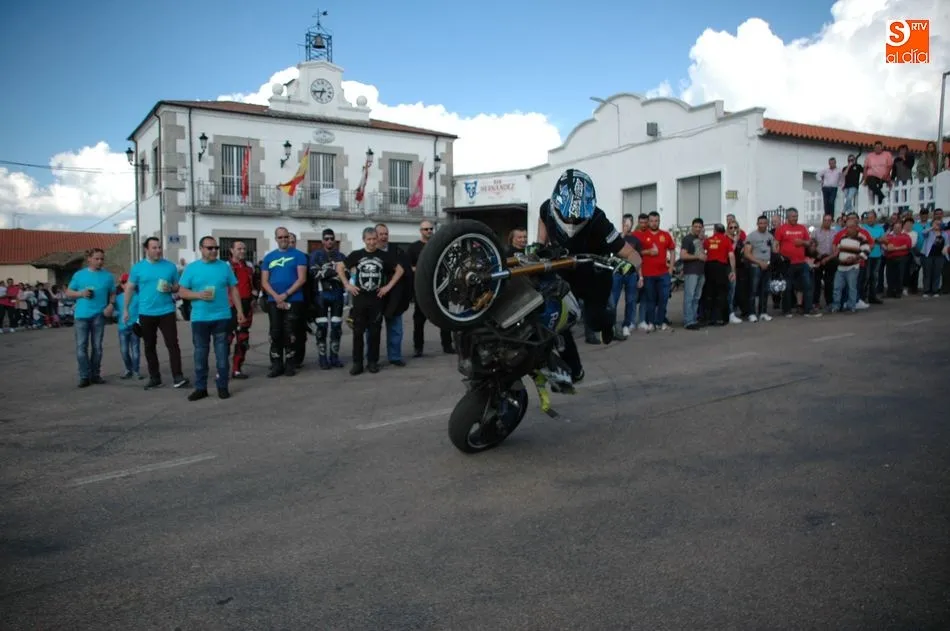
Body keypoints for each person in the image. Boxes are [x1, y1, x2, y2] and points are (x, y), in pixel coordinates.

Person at [534, 168, 643, 381]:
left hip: (595, 276)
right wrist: (540, 243)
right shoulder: (547, 208)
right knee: (558, 319)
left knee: (594, 321)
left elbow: (632, 254)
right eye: (568, 215)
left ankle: (607, 322)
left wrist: (631, 266)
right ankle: (575, 370)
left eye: (578, 217)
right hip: (565, 274)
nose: (572, 221)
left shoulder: (598, 219)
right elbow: (542, 219)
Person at [178, 236, 247, 401]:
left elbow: (234, 289)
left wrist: (239, 311)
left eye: (216, 248)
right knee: (200, 355)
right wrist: (199, 295)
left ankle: (222, 386)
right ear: (201, 249)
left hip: (222, 317)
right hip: (200, 318)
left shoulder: (224, 267)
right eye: (210, 248)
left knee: (222, 355)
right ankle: (201, 388)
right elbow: (182, 291)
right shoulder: (192, 268)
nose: (214, 251)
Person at [337, 227, 404, 375]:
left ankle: (373, 362)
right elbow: (340, 267)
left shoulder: (384, 256)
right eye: (369, 239)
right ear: (364, 240)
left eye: (374, 239)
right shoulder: (357, 255)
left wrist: (388, 287)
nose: (372, 242)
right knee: (358, 332)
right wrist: (347, 285)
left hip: (377, 300)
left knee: (375, 332)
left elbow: (400, 270)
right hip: (360, 299)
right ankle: (357, 363)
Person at [125, 237, 189, 390]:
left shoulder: (170, 267)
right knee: (149, 346)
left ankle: (178, 376)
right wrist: (125, 309)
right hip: (146, 312)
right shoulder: (138, 268)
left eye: (159, 247)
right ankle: (155, 378)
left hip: (166, 311)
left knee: (173, 344)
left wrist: (171, 288)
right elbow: (130, 288)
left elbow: (177, 286)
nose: (158, 250)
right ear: (146, 249)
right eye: (154, 248)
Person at [260, 226, 308, 377]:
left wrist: (285, 294)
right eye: (280, 237)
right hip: (273, 300)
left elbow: (302, 279)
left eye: (286, 237)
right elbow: (264, 281)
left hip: (294, 299)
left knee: (290, 332)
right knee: (275, 332)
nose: (283, 240)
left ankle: (290, 365)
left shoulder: (299, 256)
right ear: (276, 239)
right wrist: (276, 296)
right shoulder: (269, 257)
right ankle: (276, 365)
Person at [65, 248, 116, 387]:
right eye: (96, 259)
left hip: (99, 315)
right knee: (81, 347)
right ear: (89, 259)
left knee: (97, 347)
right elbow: (68, 292)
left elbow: (113, 293)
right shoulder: (79, 275)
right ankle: (84, 376)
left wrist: (111, 305)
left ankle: (95, 375)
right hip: (81, 315)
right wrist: (81, 293)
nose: (100, 261)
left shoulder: (108, 276)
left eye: (102, 259)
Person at [308, 228, 347, 369]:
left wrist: (325, 272)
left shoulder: (341, 256)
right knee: (322, 328)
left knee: (336, 327)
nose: (329, 241)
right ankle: (323, 359)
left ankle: (334, 357)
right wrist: (335, 272)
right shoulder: (315, 255)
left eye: (331, 238)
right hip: (321, 296)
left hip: (337, 295)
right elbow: (313, 273)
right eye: (326, 239)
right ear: (322, 240)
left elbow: (346, 274)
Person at [227, 241, 257, 379]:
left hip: (246, 305)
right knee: (226, 339)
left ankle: (237, 369)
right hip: (230, 306)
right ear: (231, 250)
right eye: (239, 249)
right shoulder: (225, 266)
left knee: (243, 339)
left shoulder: (250, 266)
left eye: (244, 249)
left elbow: (255, 283)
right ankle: (222, 369)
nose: (242, 251)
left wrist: (255, 297)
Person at [114, 273, 142, 379]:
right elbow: (115, 311)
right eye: (123, 282)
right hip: (122, 327)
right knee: (124, 351)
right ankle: (128, 369)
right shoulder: (118, 298)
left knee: (135, 350)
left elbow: (141, 311)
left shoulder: (138, 297)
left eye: (127, 282)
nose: (125, 284)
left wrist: (139, 322)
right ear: (121, 285)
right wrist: (116, 314)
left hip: (134, 327)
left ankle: (136, 371)